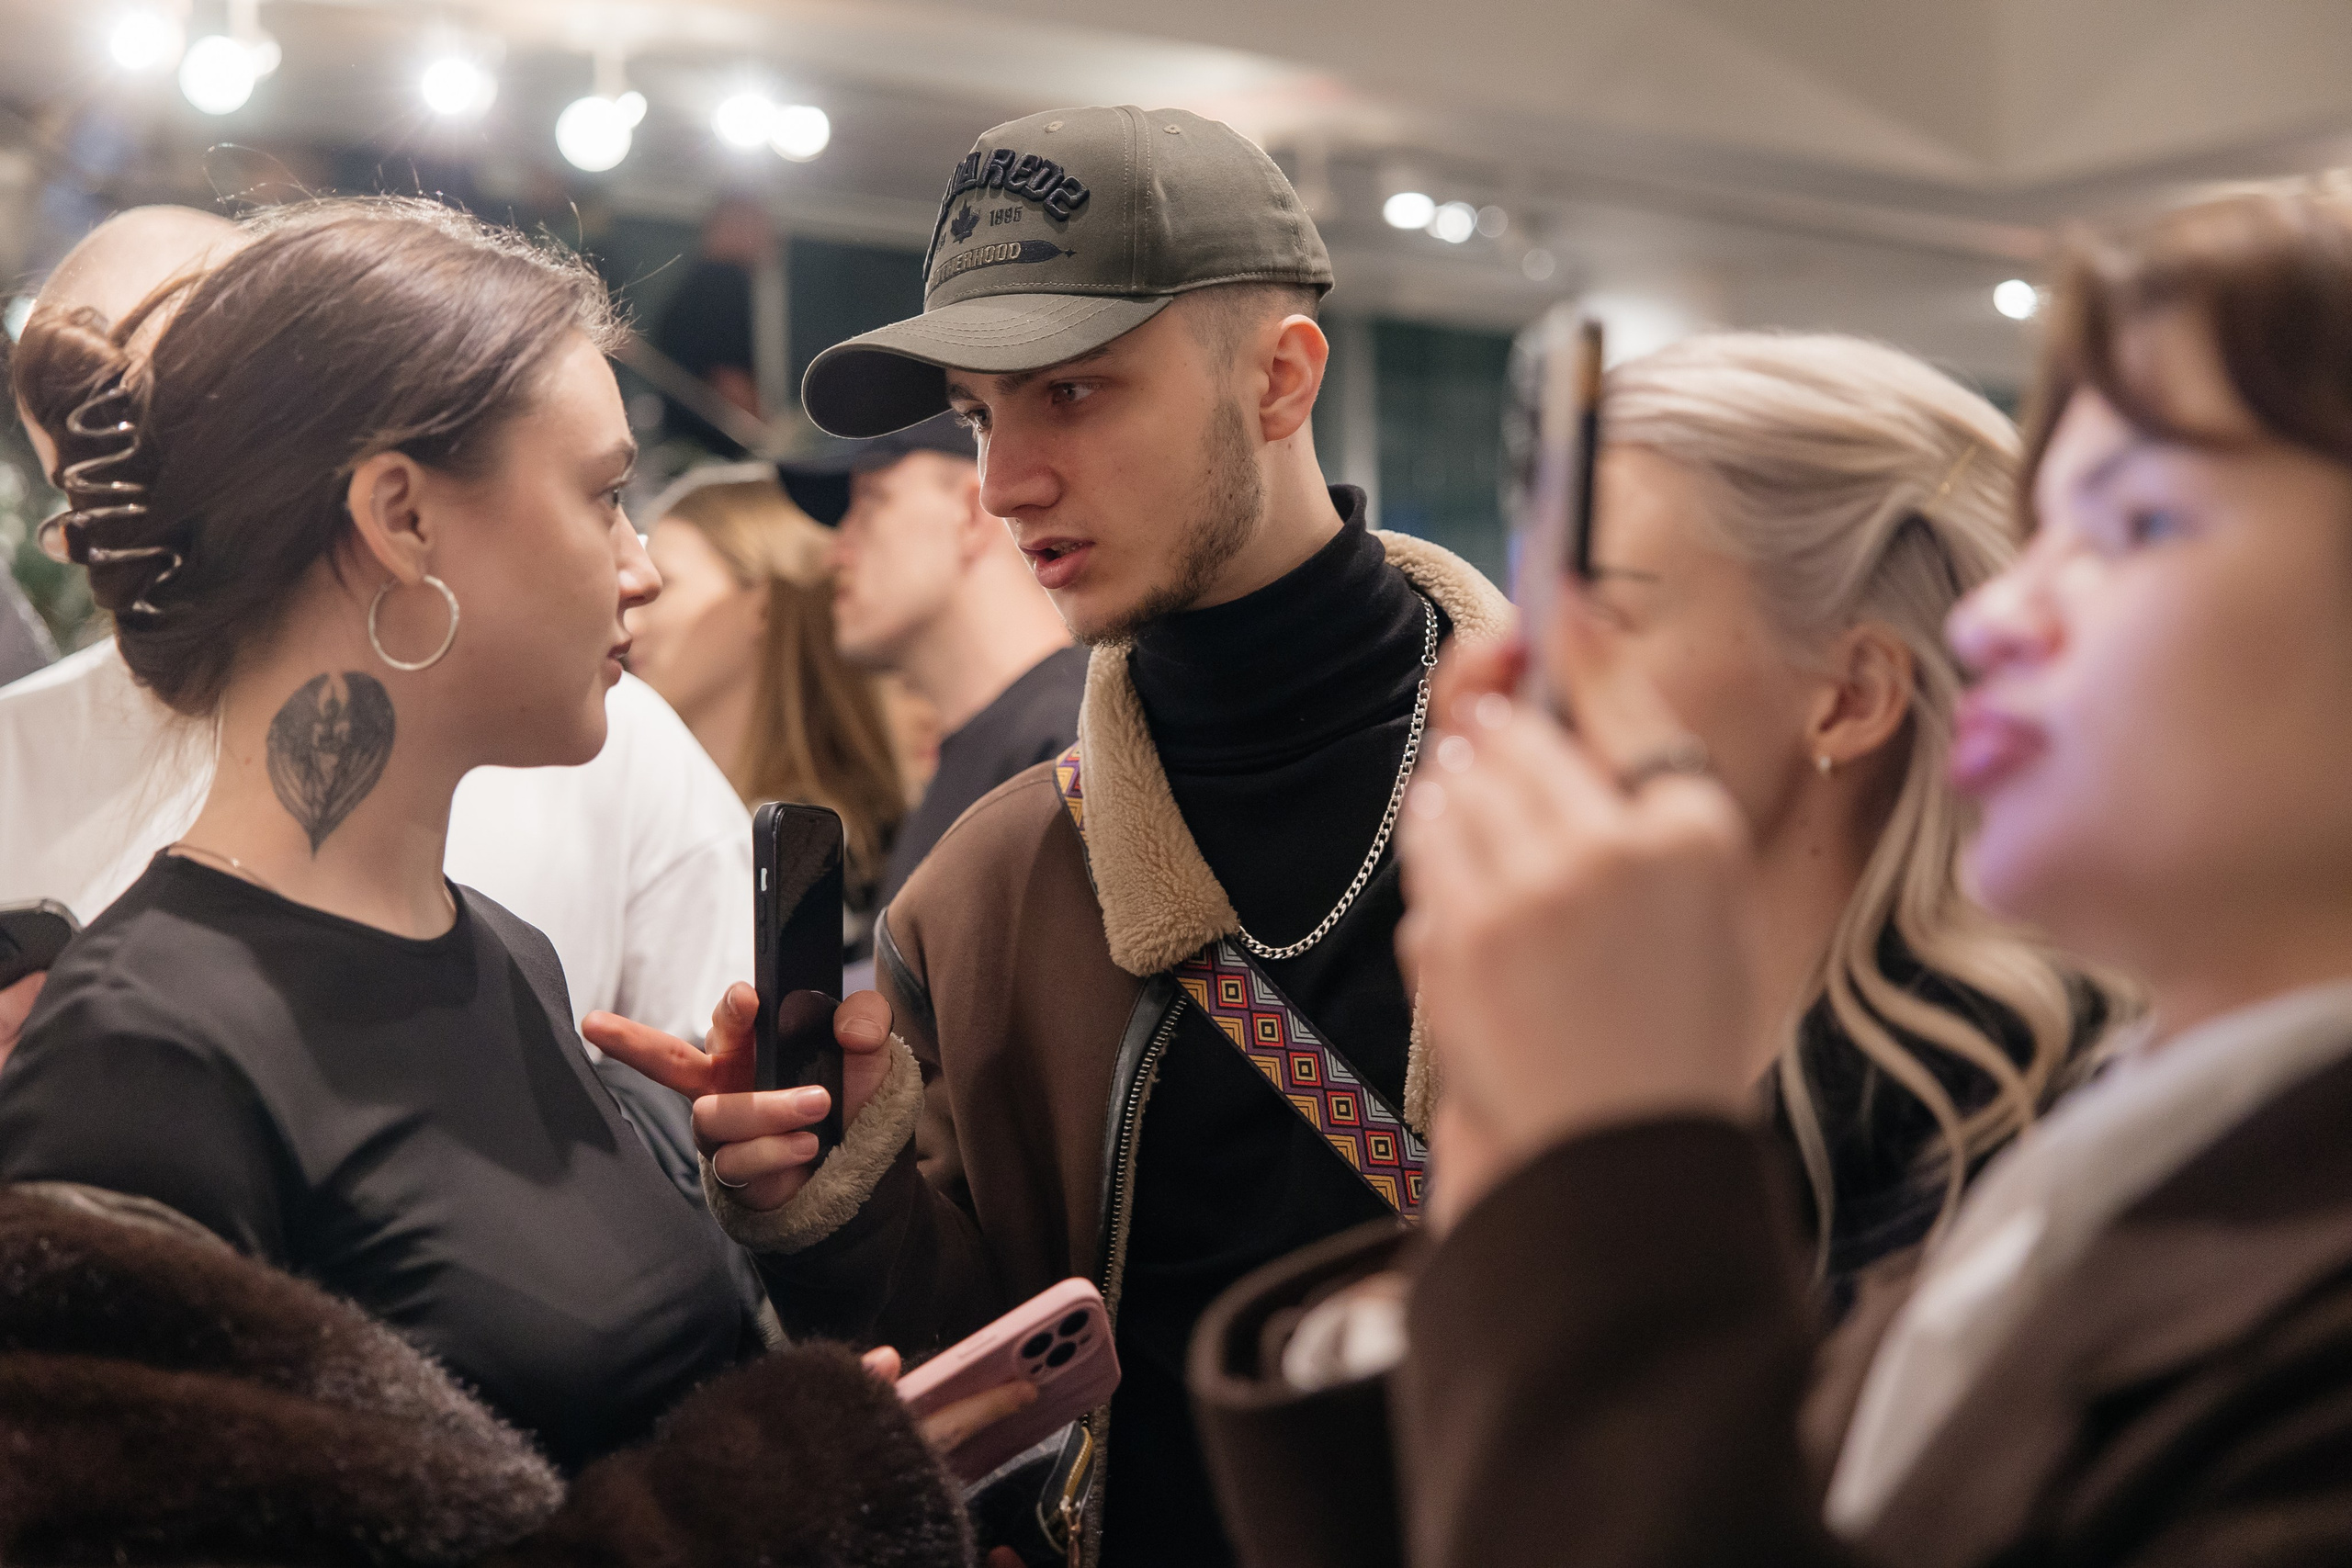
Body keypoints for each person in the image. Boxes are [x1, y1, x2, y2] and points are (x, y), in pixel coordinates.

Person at [1329, 183, 2352, 1566]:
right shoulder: (2108, 1166)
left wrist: (1603, 1167)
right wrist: (1518, 1157)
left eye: (2141, 523)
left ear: (1852, 697)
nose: (1993, 614)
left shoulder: (2108, 1200)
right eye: (2045, 528)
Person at [592, 104, 1513, 1568]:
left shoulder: (1587, 805)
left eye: (1072, 393)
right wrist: (832, 1195)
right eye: (976, 412)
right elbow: (994, 1382)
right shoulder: (986, 888)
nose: (1006, 478)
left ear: (1280, 378)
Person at [1182, 329, 2116, 1567]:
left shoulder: (2010, 1178)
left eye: (1601, 616)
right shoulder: (1640, 1077)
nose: (1503, 672)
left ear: (1848, 696)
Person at [0, 196, 786, 1472]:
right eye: (603, 495)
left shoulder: (512, 955)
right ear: (402, 518)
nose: (642, 565)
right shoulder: (145, 1059)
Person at [0, 206, 755, 1081]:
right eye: (105, 494)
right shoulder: (18, 757)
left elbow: (730, 1090)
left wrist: (750, 1171)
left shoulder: (600, 739)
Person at [779, 412, 1084, 908]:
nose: (837, 552)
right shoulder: (1006, 747)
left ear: (968, 513)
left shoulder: (1070, 743)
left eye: (872, 502)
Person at [624, 463, 906, 942]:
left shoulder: (814, 852)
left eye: (663, 588)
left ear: (763, 606)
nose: (630, 628)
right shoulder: (672, 817)